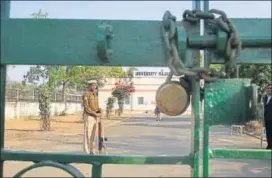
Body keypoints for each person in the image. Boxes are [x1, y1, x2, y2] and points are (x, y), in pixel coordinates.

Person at [82, 80, 101, 154]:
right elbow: (87, 108)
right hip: (89, 116)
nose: (94, 86)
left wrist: (99, 111)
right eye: (92, 85)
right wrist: (95, 114)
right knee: (87, 134)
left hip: (95, 116)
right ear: (89, 86)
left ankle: (92, 150)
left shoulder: (95, 94)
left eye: (95, 85)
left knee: (93, 135)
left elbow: (96, 106)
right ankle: (86, 151)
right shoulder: (86, 95)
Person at [263, 84, 272, 149]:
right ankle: (269, 145)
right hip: (267, 119)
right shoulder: (265, 98)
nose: (269, 89)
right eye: (268, 88)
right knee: (268, 133)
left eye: (271, 88)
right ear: (266, 89)